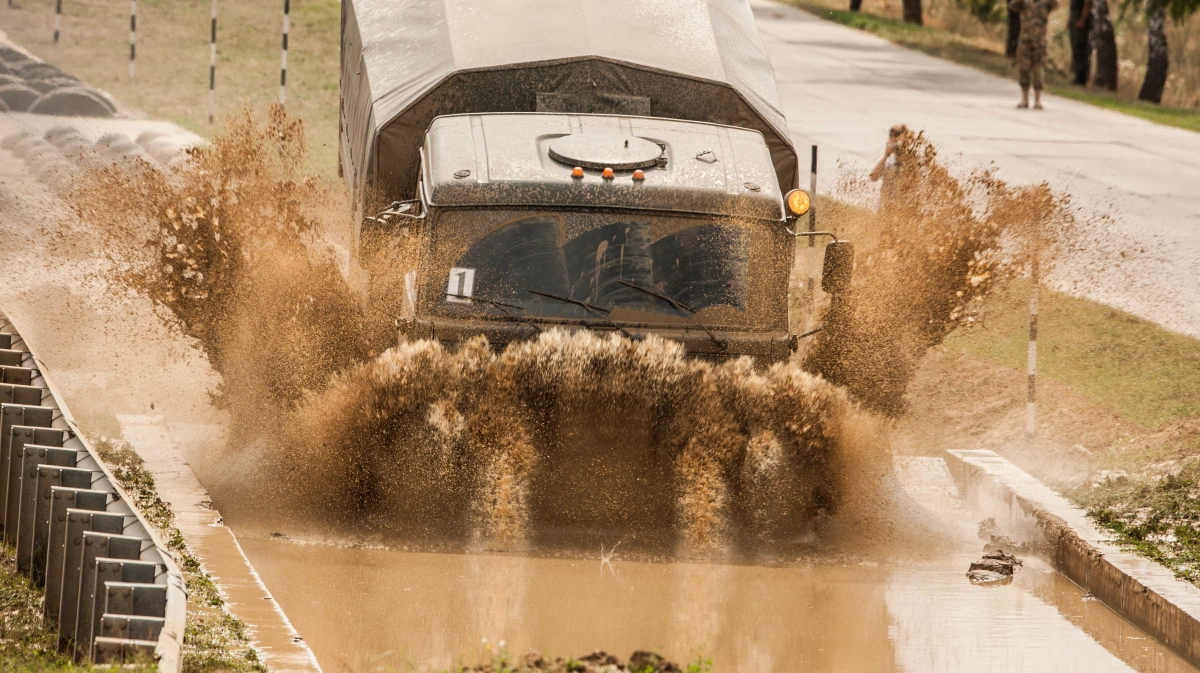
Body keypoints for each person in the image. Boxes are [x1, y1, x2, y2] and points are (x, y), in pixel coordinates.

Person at [1008, 0, 1059, 109]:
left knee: (1038, 70)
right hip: (1024, 41)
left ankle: (1038, 100)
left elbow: (1056, 5)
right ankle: (1025, 99)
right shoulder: (1024, 3)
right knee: (1023, 68)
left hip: (1040, 42)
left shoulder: (1045, 3)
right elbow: (1012, 6)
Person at [870, 124, 911, 216]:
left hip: (901, 214)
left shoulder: (911, 164)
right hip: (883, 212)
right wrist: (886, 155)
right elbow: (873, 177)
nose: (893, 141)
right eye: (892, 137)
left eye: (896, 137)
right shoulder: (888, 164)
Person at [1068, 0, 1093, 85]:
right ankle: (1077, 74)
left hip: (1081, 16)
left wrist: (1082, 20)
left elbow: (1088, 3)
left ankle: (1081, 77)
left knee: (1081, 47)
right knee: (1075, 48)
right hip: (1074, 16)